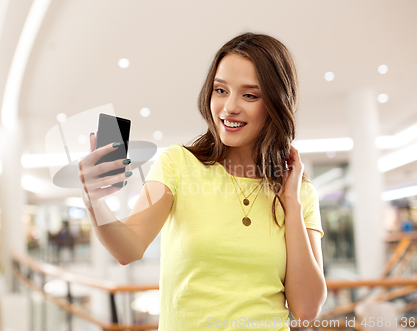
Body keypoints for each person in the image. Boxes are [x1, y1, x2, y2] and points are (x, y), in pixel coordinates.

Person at [78, 32, 326, 330]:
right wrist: (94, 200)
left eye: (249, 95)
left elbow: (306, 310)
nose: (229, 107)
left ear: (276, 102)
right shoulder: (178, 164)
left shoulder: (298, 192)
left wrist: (291, 202)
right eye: (220, 90)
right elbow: (128, 249)